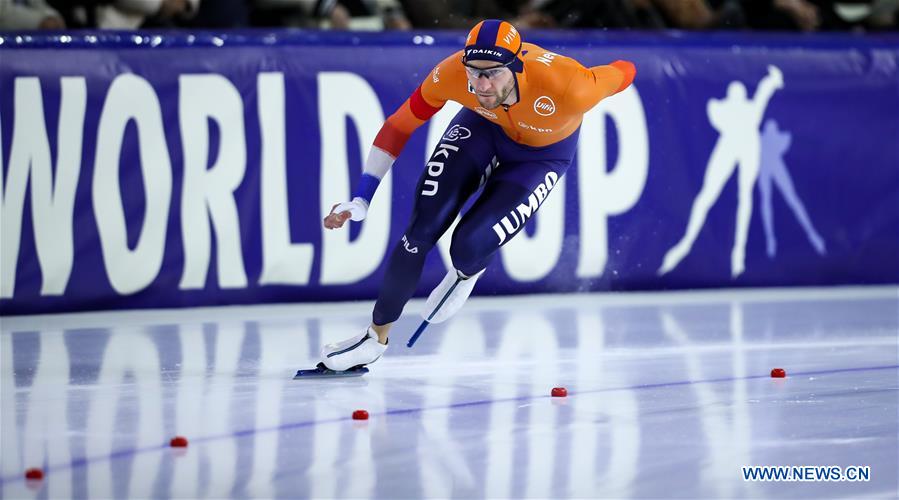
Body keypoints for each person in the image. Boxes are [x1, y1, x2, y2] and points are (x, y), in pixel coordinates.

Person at [319, 19, 636, 371]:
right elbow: (399, 124)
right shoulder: (452, 72)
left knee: (468, 246)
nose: (482, 85)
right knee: (422, 227)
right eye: (475, 72)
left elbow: (625, 70)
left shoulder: (570, 87)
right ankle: (374, 338)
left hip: (542, 156)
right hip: (484, 127)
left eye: (494, 74)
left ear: (516, 68)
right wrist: (362, 196)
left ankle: (466, 273)